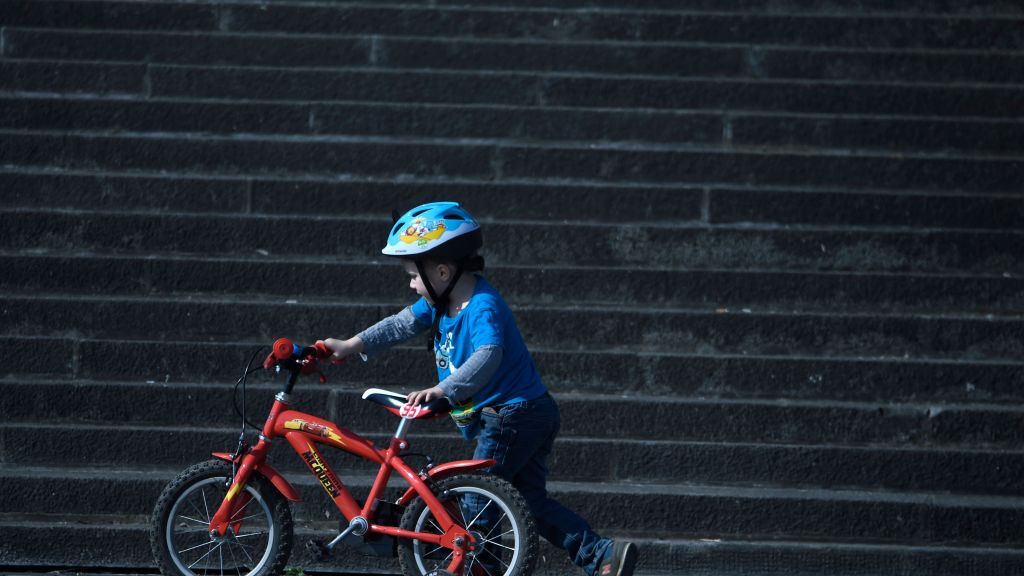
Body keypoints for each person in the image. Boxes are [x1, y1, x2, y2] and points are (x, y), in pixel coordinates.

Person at [320, 201, 638, 576]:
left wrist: (442, 390)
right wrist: (351, 345)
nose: (411, 284)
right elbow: (400, 324)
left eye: (413, 275)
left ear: (441, 270)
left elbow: (488, 355)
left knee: (477, 501)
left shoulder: (481, 306)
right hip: (529, 411)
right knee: (528, 503)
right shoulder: (440, 302)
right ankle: (602, 555)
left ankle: (478, 570)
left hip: (512, 414)